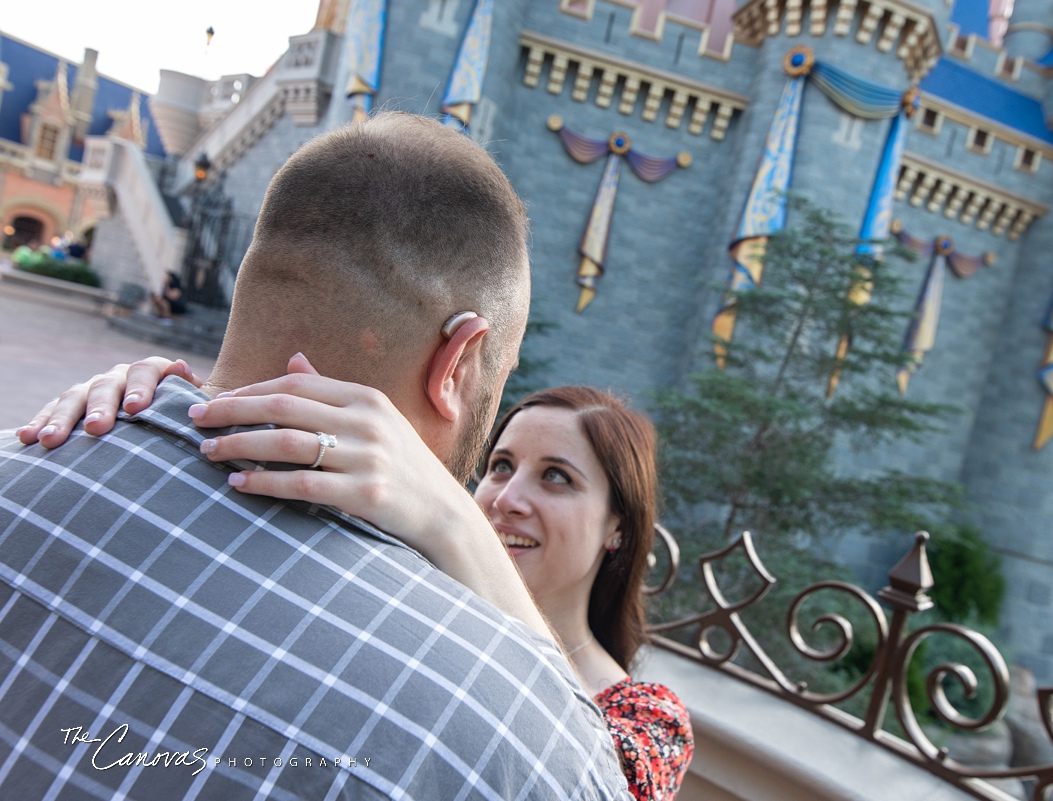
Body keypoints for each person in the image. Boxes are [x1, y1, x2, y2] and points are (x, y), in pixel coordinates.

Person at [0, 113, 632, 799]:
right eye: (500, 377)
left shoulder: (33, 455)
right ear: (459, 363)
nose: (504, 494)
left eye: (558, 477)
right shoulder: (526, 745)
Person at [23, 362, 696, 801]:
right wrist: (149, 399)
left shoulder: (646, 717)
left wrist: (452, 518)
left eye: (557, 476)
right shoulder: (408, 584)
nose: (505, 497)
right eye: (499, 465)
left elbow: (588, 785)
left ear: (618, 527)